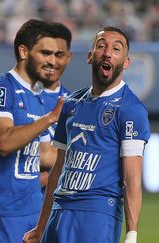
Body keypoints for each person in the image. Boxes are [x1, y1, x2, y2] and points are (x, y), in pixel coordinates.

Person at [23, 26, 151, 243]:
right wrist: (41, 225)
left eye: (116, 49)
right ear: (91, 56)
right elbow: (58, 169)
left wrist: (131, 234)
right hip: (59, 211)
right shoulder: (71, 103)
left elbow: (132, 177)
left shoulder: (131, 109)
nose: (108, 52)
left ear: (126, 62)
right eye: (101, 46)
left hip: (97, 215)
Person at [0, 19, 64, 243]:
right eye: (45, 53)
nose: (52, 61)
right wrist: (51, 118)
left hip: (35, 210)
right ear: (23, 51)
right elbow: (3, 142)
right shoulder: (1, 90)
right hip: (3, 213)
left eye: (55, 54)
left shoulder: (37, 97)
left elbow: (44, 155)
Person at [39, 21, 73, 192]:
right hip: (21, 206)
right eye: (46, 53)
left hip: (61, 206)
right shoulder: (15, 95)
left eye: (59, 54)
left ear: (68, 57)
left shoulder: (75, 103)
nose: (52, 61)